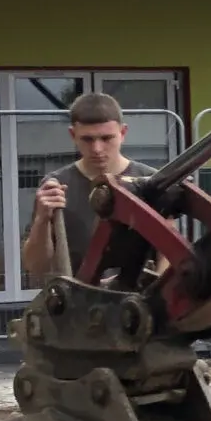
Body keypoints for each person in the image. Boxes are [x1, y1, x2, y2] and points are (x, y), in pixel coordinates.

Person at [21, 92, 153, 283]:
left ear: (123, 133)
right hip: (80, 299)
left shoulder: (150, 181)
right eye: (87, 139)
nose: (97, 149)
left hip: (139, 299)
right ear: (73, 135)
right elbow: (36, 267)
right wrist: (42, 219)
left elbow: (167, 258)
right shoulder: (55, 187)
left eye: (106, 138)